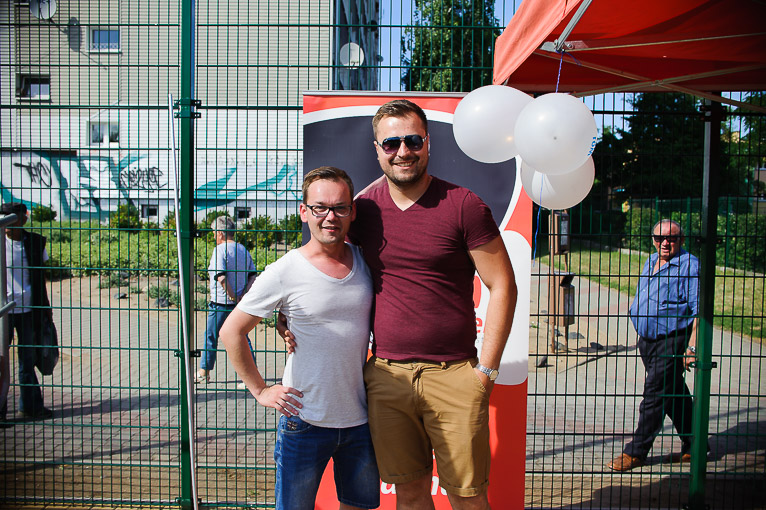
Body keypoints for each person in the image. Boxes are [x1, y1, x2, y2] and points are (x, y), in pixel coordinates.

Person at [285, 100, 518, 509]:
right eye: (391, 143)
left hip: (455, 375)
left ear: (428, 143)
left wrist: (486, 372)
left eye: (413, 140)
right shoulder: (362, 210)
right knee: (409, 494)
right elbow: (323, 265)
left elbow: (502, 285)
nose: (403, 151)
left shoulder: (463, 205)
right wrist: (285, 315)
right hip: (387, 378)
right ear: (377, 150)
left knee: (468, 497)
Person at [220, 167, 380, 510]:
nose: (330, 217)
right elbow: (231, 331)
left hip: (362, 420)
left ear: (352, 212)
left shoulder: (365, 261)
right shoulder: (285, 270)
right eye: (320, 207)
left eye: (339, 208)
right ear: (304, 212)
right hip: (304, 421)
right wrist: (260, 390)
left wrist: (284, 321)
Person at [607, 219, 699, 471]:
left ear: (681, 240)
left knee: (654, 395)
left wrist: (691, 348)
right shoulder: (651, 260)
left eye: (671, 238)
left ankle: (636, 452)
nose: (665, 243)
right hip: (647, 341)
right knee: (674, 393)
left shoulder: (689, 265)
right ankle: (696, 444)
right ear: (653, 240)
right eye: (659, 238)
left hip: (672, 340)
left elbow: (698, 311)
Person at [1, 202, 53, 421]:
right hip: (3, 312)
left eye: (10, 217)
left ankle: (31, 407)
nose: (6, 223)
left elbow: (41, 276)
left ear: (22, 218)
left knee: (27, 359)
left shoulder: (35, 242)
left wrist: (46, 308)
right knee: (1, 360)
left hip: (29, 309)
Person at [195, 215, 256, 384]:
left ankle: (204, 372)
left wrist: (231, 294)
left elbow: (221, 276)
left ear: (220, 233)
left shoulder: (220, 250)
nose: (213, 235)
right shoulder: (243, 249)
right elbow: (252, 275)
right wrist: (242, 294)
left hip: (220, 303)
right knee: (243, 338)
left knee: (211, 337)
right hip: (239, 305)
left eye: (214, 232)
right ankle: (250, 377)